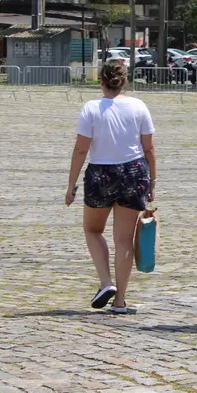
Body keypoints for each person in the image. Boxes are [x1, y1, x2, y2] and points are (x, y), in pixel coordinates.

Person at [66, 60, 156, 314]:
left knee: (93, 230)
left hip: (101, 173)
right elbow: (149, 148)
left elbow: (81, 148)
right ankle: (120, 301)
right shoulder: (138, 106)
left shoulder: (91, 108)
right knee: (124, 240)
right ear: (124, 80)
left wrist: (71, 184)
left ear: (100, 81)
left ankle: (106, 283)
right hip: (134, 172)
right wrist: (152, 182)